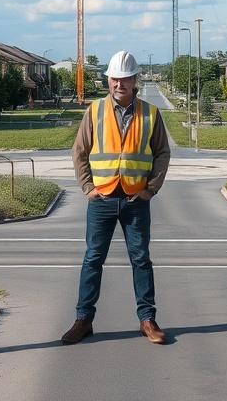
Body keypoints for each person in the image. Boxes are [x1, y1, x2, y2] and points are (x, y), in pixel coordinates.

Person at [61, 50, 172, 346]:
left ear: (135, 80)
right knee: (93, 259)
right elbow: (80, 152)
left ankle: (147, 320)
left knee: (141, 259)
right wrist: (87, 187)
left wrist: (151, 188)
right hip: (102, 200)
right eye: (114, 78)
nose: (119, 84)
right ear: (108, 80)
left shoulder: (150, 113)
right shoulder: (95, 111)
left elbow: (162, 152)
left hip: (136, 199)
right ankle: (83, 320)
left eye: (125, 79)